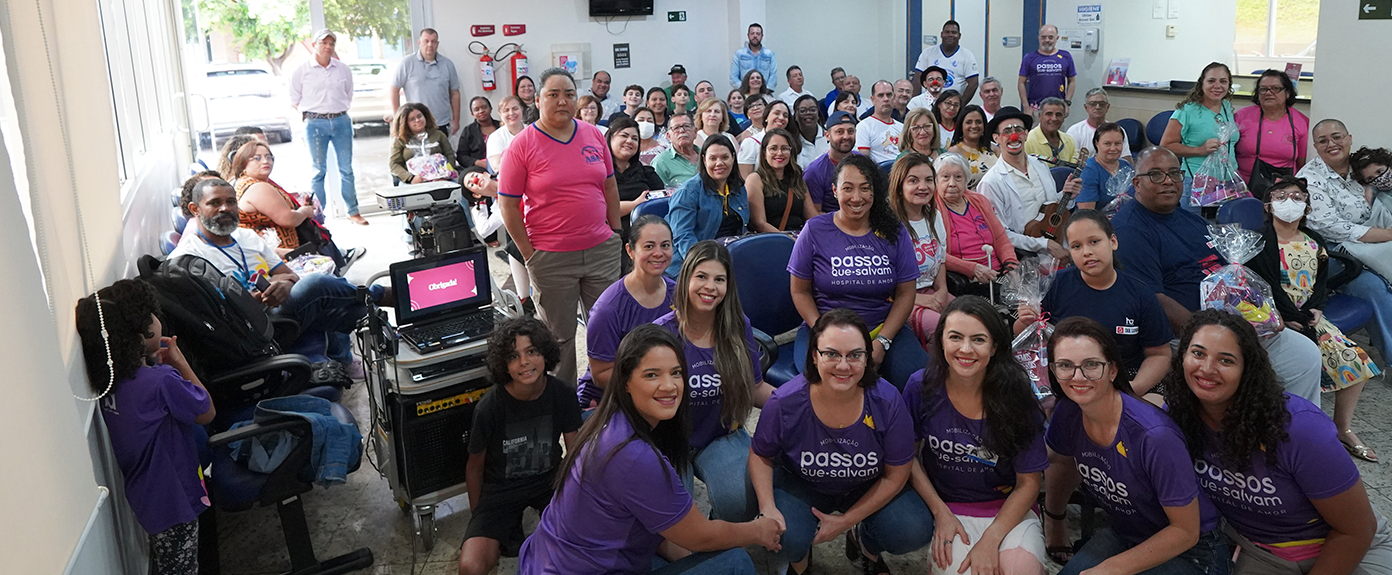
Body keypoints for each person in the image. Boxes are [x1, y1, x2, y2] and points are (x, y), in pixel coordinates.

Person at [516, 324, 782, 575]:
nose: (669, 385)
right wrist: (758, 531)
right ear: (625, 382)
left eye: (676, 373)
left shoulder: (608, 423)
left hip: (545, 559)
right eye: (652, 374)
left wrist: (686, 553)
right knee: (735, 563)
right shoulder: (634, 457)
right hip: (583, 568)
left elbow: (659, 529)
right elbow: (702, 535)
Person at [1162, 310, 1392, 575]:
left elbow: (1357, 530)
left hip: (1350, 548)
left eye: (1226, 360)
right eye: (1198, 353)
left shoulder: (1300, 428)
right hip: (1262, 553)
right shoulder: (1177, 417)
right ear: (1182, 358)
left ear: (1247, 369)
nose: (1207, 368)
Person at [1111, 146, 1322, 404]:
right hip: (1188, 334)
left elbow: (1231, 273)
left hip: (1232, 319)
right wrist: (1208, 334)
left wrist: (1267, 314)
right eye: (1156, 174)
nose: (1168, 181)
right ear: (1137, 183)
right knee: (1255, 366)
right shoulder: (1130, 230)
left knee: (1304, 354)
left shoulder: (1191, 220)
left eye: (1175, 174)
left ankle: (1295, 432)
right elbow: (1153, 299)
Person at [750, 309, 933, 575]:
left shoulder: (888, 400)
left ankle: (865, 543)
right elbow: (760, 454)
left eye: (855, 355)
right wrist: (767, 507)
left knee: (912, 530)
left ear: (867, 357)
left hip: (866, 485)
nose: (844, 365)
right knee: (782, 535)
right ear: (814, 356)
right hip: (804, 485)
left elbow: (898, 473)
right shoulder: (785, 401)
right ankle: (800, 563)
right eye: (832, 354)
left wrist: (847, 521)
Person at [1044, 316, 1228, 575]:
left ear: (1113, 370)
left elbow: (1186, 532)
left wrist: (1111, 569)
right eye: (1065, 365)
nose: (1078, 376)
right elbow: (1056, 461)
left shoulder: (1154, 436)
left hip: (1193, 550)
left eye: (1091, 365)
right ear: (1053, 370)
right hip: (1127, 532)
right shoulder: (1068, 411)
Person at [75, 279, 216, 575]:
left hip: (149, 500)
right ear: (142, 332)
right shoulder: (161, 381)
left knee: (170, 566)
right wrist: (178, 361)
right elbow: (206, 411)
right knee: (182, 569)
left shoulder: (110, 387)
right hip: (177, 501)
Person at [494, 68, 622, 385]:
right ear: (537, 101)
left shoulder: (593, 135)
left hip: (601, 250)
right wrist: (529, 254)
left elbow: (609, 188)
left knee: (608, 331)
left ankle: (607, 400)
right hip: (550, 257)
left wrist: (616, 234)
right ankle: (567, 413)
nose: (562, 101)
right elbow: (507, 205)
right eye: (553, 94)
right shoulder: (522, 145)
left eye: (568, 94)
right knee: (559, 340)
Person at [172, 179, 386, 367]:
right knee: (317, 285)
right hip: (249, 332)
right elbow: (207, 321)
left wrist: (284, 285)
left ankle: (392, 340)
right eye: (214, 203)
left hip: (276, 313)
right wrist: (245, 304)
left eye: (230, 202)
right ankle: (381, 295)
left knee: (351, 311)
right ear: (195, 209)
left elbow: (288, 275)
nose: (225, 209)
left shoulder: (246, 237)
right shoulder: (187, 259)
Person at [904, 296, 1048, 575]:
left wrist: (991, 538)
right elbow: (907, 456)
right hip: (949, 508)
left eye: (979, 340)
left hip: (1008, 509)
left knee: (1021, 570)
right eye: (955, 337)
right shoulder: (920, 386)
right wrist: (939, 512)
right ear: (941, 341)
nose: (965, 349)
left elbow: (1029, 483)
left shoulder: (1017, 394)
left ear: (994, 346)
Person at [1246, 176, 1381, 462]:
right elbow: (1263, 284)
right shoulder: (1258, 242)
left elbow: (1320, 282)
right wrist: (1289, 315)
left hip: (1310, 315)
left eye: (1297, 197)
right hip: (1276, 318)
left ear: (1307, 207)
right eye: (1281, 196)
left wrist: (1317, 307)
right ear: (1269, 206)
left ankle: (1342, 428)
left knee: (1355, 362)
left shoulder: (1314, 240)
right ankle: (1295, 431)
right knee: (1293, 370)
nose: (1289, 202)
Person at [789, 154, 930, 389]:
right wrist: (823, 333)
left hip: (882, 329)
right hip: (824, 328)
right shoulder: (814, 230)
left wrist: (883, 342)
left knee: (921, 383)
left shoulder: (894, 230)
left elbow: (906, 293)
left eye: (865, 188)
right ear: (835, 191)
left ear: (875, 192)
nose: (857, 197)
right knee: (821, 385)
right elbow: (799, 291)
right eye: (848, 188)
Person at [657, 241, 774, 521]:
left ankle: (718, 528)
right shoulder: (661, 334)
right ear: (685, 278)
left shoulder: (738, 327)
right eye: (701, 276)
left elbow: (755, 387)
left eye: (719, 279)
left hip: (722, 433)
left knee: (741, 502)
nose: (710, 287)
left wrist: (801, 403)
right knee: (672, 513)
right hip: (668, 439)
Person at [458, 317, 582, 575]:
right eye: (513, 356)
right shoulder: (489, 406)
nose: (524, 362)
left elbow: (576, 454)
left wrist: (579, 501)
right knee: (471, 567)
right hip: (500, 488)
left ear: (545, 354)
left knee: (574, 547)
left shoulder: (563, 394)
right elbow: (474, 468)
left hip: (549, 480)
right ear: (504, 365)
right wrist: (479, 519)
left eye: (532, 351)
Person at [1017, 210, 1173, 394]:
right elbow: (1025, 340)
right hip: (1067, 379)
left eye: (1094, 242)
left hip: (1125, 379)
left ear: (1113, 242)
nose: (1087, 252)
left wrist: (1131, 390)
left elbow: (1160, 354)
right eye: (1076, 246)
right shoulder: (1053, 285)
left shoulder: (1140, 294)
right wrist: (1025, 321)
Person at [576, 216, 677, 409]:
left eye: (665, 245)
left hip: (660, 391)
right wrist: (651, 386)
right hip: (608, 399)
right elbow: (601, 374)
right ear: (630, 251)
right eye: (648, 246)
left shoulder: (679, 295)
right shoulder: (608, 308)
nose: (658, 253)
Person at [288, 29, 366, 225]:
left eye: (331, 43)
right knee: (318, 171)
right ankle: (317, 216)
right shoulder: (301, 71)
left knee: (346, 169)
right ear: (314, 45)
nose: (328, 47)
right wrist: (314, 113)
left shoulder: (343, 69)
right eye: (324, 43)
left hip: (341, 121)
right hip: (315, 124)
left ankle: (353, 211)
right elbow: (294, 99)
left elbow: (348, 94)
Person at [1299, 121, 1392, 282]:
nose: (1331, 144)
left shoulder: (1361, 167)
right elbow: (1329, 226)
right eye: (1323, 141)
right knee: (1377, 287)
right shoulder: (1308, 180)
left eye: (1337, 137)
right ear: (1315, 146)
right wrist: (1387, 235)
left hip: (1378, 238)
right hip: (1337, 250)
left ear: (1349, 139)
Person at [976, 106, 1074, 260]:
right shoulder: (991, 183)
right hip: (1025, 258)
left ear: (1026, 134)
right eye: (1007, 131)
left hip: (1058, 244)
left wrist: (1068, 195)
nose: (1014, 136)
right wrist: (1043, 244)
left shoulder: (1040, 166)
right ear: (996, 138)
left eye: (1018, 130)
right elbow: (999, 233)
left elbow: (1050, 208)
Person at [888, 153, 952, 345]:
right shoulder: (888, 223)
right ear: (899, 186)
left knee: (975, 319)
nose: (923, 187)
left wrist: (942, 290)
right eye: (913, 180)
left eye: (929, 180)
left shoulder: (935, 215)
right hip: (898, 300)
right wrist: (920, 300)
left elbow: (940, 259)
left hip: (932, 291)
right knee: (945, 330)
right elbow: (883, 280)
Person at [934, 153, 1018, 296]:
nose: (952, 183)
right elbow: (936, 253)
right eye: (945, 177)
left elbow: (1000, 238)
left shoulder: (979, 201)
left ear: (967, 180)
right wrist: (972, 268)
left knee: (1029, 304)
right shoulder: (932, 208)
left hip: (996, 273)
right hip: (965, 279)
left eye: (958, 177)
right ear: (936, 181)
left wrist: (1011, 265)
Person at [1160, 62, 1239, 209]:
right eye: (1211, 81)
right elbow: (1165, 146)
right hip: (1197, 181)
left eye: (1223, 81)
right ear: (1201, 83)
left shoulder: (1227, 107)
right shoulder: (1187, 110)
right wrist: (1200, 150)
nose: (1217, 86)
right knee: (1195, 227)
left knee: (1223, 228)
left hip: (1228, 181)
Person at [666, 137, 748, 275]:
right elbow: (683, 236)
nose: (719, 163)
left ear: (733, 158)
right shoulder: (688, 192)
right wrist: (704, 266)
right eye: (713, 158)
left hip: (729, 258)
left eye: (725, 157)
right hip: (691, 262)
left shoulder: (739, 188)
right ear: (704, 160)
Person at [229, 141, 316, 257]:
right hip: (276, 259)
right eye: (257, 158)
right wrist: (304, 211)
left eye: (269, 157)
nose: (265, 161)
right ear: (243, 163)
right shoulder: (258, 187)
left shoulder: (239, 182)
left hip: (264, 255)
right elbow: (288, 219)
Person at [1235, 69, 1308, 191]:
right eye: (1263, 89)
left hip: (1283, 191)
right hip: (1243, 189)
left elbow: (1302, 164)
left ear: (1287, 93)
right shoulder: (1241, 117)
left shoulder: (1301, 122)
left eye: (1275, 88)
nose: (1268, 93)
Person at [388, 28, 460, 135]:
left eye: (433, 41)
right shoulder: (407, 63)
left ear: (437, 44)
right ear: (419, 43)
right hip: (415, 125)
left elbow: (455, 93)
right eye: (426, 41)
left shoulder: (447, 64)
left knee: (442, 152)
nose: (430, 45)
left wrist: (456, 121)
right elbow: (394, 90)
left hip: (441, 124)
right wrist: (398, 119)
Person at [607, 118, 665, 245]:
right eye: (624, 136)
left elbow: (662, 200)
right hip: (609, 237)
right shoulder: (599, 173)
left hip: (646, 236)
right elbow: (600, 210)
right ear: (610, 138)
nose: (629, 141)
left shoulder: (647, 173)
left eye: (635, 138)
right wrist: (636, 204)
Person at [746, 127, 808, 233]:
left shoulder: (796, 178)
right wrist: (786, 239)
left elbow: (811, 216)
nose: (779, 153)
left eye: (784, 148)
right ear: (764, 153)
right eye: (773, 148)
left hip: (799, 238)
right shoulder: (755, 180)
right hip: (772, 241)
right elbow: (759, 223)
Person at [802, 111, 858, 216]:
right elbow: (814, 214)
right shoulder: (814, 171)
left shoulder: (865, 163)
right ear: (827, 135)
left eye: (850, 131)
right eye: (839, 132)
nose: (846, 136)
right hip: (832, 226)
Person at [388, 103, 455, 185]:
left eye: (419, 116)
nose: (417, 120)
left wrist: (444, 175)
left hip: (440, 179)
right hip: (412, 181)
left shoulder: (438, 134)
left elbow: (450, 155)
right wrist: (410, 178)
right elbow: (393, 164)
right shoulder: (399, 140)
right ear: (405, 123)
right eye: (412, 119)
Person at [914, 20, 980, 102]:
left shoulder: (967, 56)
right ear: (942, 34)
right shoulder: (928, 53)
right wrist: (915, 102)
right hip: (928, 103)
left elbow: (973, 84)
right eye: (947, 32)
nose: (950, 35)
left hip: (953, 106)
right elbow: (917, 79)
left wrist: (960, 105)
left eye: (954, 32)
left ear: (959, 36)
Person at [1017, 25, 1076, 115]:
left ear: (1057, 38)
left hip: (1058, 107)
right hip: (1035, 108)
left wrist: (1067, 103)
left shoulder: (1066, 56)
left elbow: (1072, 81)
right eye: (1043, 37)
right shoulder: (1029, 57)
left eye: (1050, 37)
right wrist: (1026, 107)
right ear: (1039, 38)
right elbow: (1021, 82)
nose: (1047, 40)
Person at [1075, 123, 1132, 210]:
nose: (1113, 148)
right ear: (1096, 143)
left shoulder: (1126, 166)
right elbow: (1086, 213)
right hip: (1098, 221)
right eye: (1107, 144)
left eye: (1118, 143)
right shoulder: (1088, 170)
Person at [1066, 88, 1132, 160]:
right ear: (1086, 107)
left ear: (1107, 107)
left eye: (1102, 104)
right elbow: (1073, 161)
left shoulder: (1117, 130)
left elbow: (1126, 158)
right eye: (1093, 104)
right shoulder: (1075, 131)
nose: (1097, 107)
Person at [946, 105, 997, 189]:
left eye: (978, 122)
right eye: (969, 122)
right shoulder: (955, 152)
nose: (974, 126)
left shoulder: (993, 148)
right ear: (961, 126)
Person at [855, 80, 905, 164]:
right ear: (873, 99)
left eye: (889, 95)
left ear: (894, 98)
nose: (886, 99)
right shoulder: (864, 126)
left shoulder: (902, 127)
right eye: (881, 95)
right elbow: (863, 162)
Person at [739, 99, 791, 177]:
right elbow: (745, 177)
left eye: (785, 115)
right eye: (777, 113)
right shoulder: (750, 142)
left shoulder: (790, 142)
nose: (781, 117)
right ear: (766, 117)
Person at [1023, 98, 1078, 164]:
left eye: (1058, 115)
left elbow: (1074, 169)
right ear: (1040, 116)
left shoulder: (1069, 140)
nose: (1054, 118)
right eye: (1049, 114)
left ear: (1064, 118)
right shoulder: (1027, 141)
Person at [655, 113, 701, 188]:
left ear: (695, 132)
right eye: (676, 128)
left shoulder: (706, 156)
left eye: (686, 126)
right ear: (669, 136)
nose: (682, 130)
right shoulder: (660, 162)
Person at [486, 96, 526, 175]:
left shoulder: (534, 131)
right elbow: (497, 167)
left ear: (522, 109)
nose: (511, 113)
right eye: (506, 110)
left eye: (515, 109)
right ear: (500, 114)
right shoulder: (495, 138)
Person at [730, 23, 776, 90]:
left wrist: (766, 90)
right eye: (752, 33)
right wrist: (745, 90)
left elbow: (773, 76)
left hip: (765, 93)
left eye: (758, 34)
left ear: (762, 36)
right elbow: (733, 77)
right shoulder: (739, 54)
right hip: (744, 93)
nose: (755, 36)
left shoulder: (769, 54)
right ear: (748, 35)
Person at [456, 96, 498, 170]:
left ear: (490, 108)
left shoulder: (501, 127)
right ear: (472, 113)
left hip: (502, 165)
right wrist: (479, 163)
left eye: (484, 107)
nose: (481, 111)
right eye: (476, 109)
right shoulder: (468, 131)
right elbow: (461, 156)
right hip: (477, 168)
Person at [792, 95, 829, 168]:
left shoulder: (829, 137)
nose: (808, 113)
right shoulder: (791, 141)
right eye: (803, 110)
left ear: (818, 113)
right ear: (796, 115)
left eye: (812, 110)